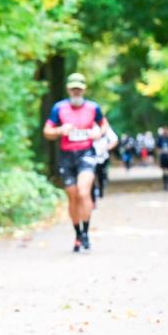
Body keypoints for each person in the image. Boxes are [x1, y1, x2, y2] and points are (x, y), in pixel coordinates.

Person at [43, 73, 110, 252]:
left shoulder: (93, 108)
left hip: (86, 153)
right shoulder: (59, 108)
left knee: (83, 191)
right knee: (72, 195)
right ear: (68, 89)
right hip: (66, 155)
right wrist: (59, 130)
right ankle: (78, 234)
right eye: (73, 88)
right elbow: (47, 131)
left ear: (84, 89)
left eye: (79, 88)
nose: (76, 91)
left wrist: (98, 133)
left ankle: (86, 232)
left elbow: (104, 124)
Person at [91, 123, 119, 207]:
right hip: (89, 157)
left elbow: (115, 140)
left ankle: (100, 190)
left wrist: (107, 148)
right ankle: (93, 198)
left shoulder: (105, 128)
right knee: (90, 177)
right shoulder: (86, 125)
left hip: (102, 157)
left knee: (100, 175)